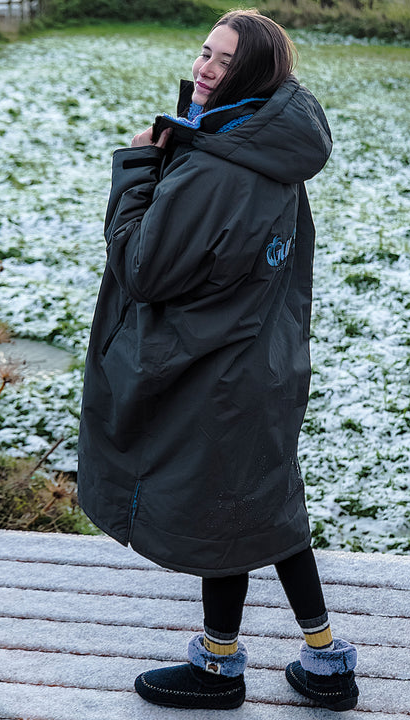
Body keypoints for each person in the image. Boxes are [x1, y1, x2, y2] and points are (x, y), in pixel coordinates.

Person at [77, 8, 359, 712]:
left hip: (218, 370)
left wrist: (139, 167)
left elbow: (143, 270)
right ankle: (326, 663)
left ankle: (220, 668)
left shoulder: (219, 167)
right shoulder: (271, 145)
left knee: (224, 515)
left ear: (252, 74)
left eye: (224, 60)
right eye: (204, 52)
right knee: (268, 507)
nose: (204, 68)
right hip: (264, 358)